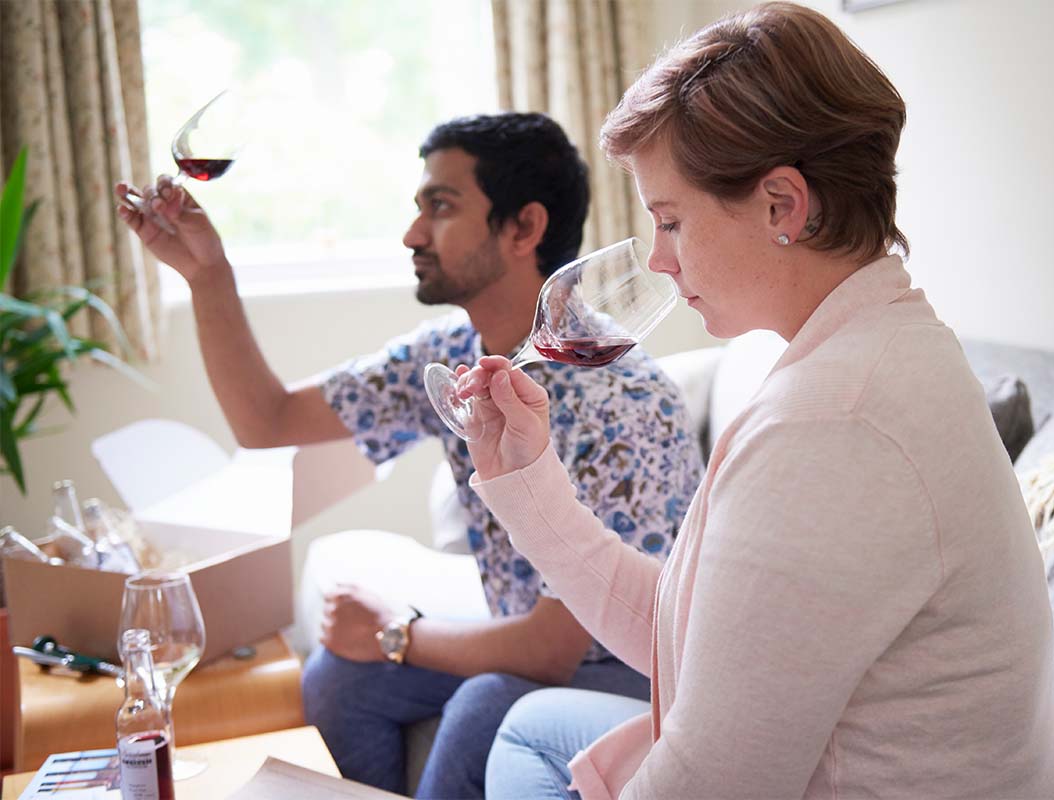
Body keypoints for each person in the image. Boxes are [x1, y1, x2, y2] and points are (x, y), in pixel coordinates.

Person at [454, 5, 1054, 799]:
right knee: (526, 727)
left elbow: (710, 782)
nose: (657, 259)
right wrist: (528, 476)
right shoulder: (884, 347)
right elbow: (689, 638)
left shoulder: (836, 425)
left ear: (782, 205)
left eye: (672, 221)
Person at [113, 112, 704, 797]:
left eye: (440, 206)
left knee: (484, 704)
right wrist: (207, 275)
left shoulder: (619, 403)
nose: (411, 234)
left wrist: (398, 634)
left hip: (630, 665)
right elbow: (267, 419)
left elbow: (553, 647)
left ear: (523, 228)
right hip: (530, 636)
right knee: (338, 679)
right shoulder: (449, 354)